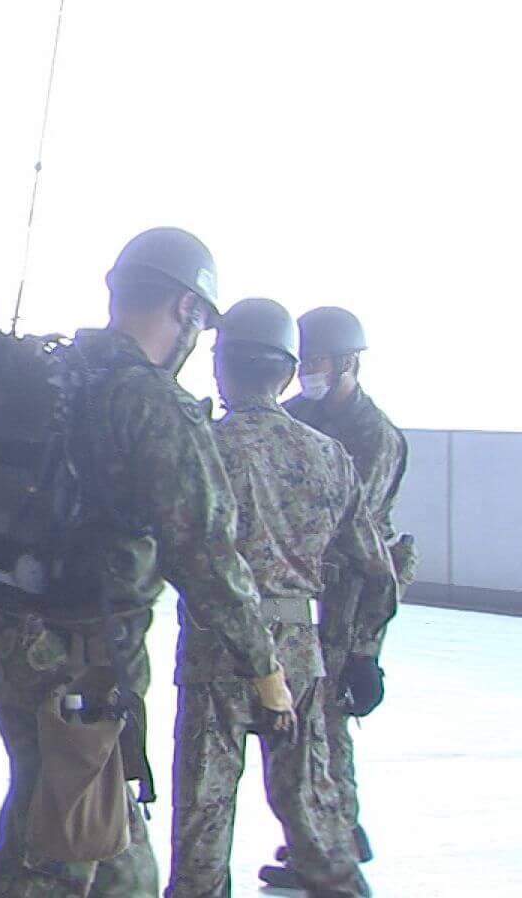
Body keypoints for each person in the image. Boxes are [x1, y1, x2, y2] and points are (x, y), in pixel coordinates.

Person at [0, 228, 294, 897]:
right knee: (59, 851)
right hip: (82, 658)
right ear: (184, 308)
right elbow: (204, 552)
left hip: (4, 631)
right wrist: (265, 671)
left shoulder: (52, 373)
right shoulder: (153, 403)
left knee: (96, 837)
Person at [164, 298, 395, 898]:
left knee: (203, 829)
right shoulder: (330, 455)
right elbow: (378, 571)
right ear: (289, 373)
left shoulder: (203, 449)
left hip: (217, 654)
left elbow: (176, 554)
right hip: (300, 654)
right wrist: (364, 650)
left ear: (221, 370)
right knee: (316, 822)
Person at [263, 306, 412, 889]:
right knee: (300, 721)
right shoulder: (294, 416)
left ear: (349, 363)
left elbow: (359, 533)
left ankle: (336, 837)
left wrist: (364, 650)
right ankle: (319, 837)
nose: (308, 373)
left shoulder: (376, 437)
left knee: (330, 716)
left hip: (351, 596)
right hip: (298, 590)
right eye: (303, 363)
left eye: (318, 362)